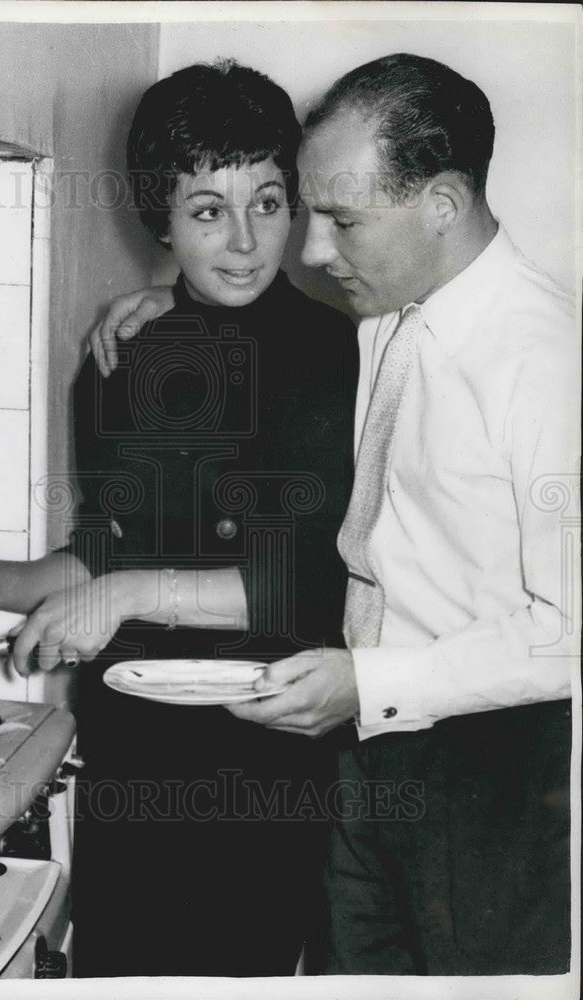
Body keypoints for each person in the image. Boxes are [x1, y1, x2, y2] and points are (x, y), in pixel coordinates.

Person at [89, 53, 578, 976]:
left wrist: (377, 683)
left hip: (492, 776)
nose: (311, 251)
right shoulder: (389, 318)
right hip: (367, 763)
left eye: (341, 220)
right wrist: (168, 306)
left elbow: (573, 631)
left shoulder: (547, 362)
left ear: (440, 203)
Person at [0, 59, 358, 977]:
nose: (248, 239)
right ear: (161, 219)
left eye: (267, 200)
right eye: (208, 210)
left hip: (269, 760)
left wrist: (135, 590)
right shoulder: (121, 360)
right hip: (137, 759)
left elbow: (310, 581)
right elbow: (102, 553)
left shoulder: (333, 356)